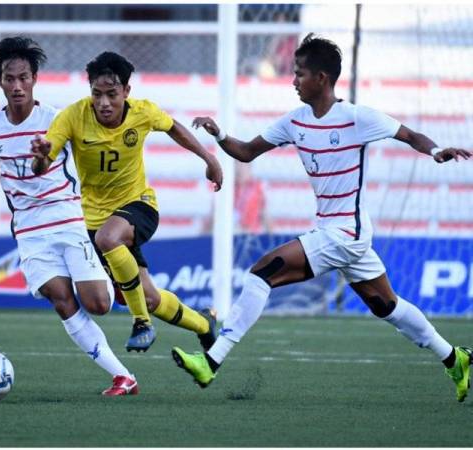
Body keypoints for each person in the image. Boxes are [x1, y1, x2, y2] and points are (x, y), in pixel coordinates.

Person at [171, 33, 472, 403]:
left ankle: (211, 361)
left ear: (322, 79)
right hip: (337, 231)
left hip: (346, 232)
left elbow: (411, 135)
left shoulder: (356, 117)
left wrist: (437, 150)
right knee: (385, 305)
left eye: (299, 73)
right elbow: (247, 152)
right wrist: (219, 135)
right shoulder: (295, 121)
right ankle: (454, 358)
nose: (293, 80)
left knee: (261, 271)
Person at [0, 37, 137, 396]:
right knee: (61, 299)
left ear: (34, 79)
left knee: (100, 305)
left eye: (23, 78)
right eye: (9, 78)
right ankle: (123, 376)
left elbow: (79, 152)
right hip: (29, 231)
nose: (17, 86)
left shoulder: (57, 120)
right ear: (0, 80)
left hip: (66, 219)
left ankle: (114, 276)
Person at [31, 51, 223, 352]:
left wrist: (208, 157)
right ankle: (204, 324)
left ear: (126, 91)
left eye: (112, 94)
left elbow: (173, 127)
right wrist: (41, 157)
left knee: (111, 239)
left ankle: (141, 323)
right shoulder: (71, 117)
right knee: (149, 296)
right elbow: (42, 163)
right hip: (95, 220)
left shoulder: (142, 112)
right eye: (97, 94)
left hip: (139, 205)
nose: (104, 102)